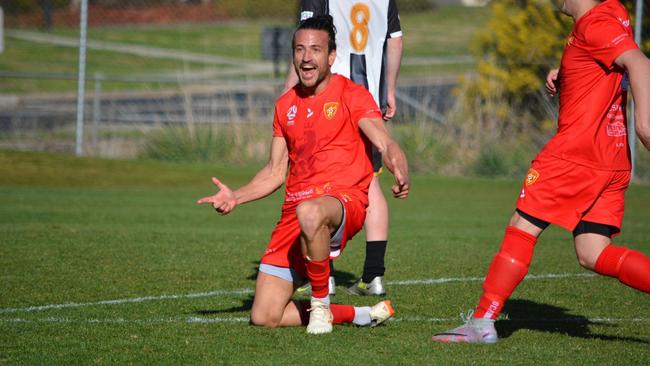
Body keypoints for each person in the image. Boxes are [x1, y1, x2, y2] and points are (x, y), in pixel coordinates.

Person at [432, 0, 650, 344]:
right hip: (612, 158)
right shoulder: (614, 14)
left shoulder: (594, 23)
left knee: (522, 227)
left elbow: (639, 63)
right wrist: (569, 72)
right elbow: (609, 67)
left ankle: (482, 323)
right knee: (592, 252)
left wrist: (645, 124)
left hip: (575, 156)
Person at [198, 15, 410, 334]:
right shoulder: (285, 106)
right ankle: (358, 314)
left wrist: (398, 165)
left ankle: (321, 307)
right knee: (265, 316)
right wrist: (235, 196)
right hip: (294, 214)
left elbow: (385, 141)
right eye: (299, 50)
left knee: (310, 211)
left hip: (342, 202)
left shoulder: (352, 95)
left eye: (315, 49)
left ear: (331, 56)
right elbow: (273, 172)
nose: (306, 57)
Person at [284, 0, 404, 297]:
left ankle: (325, 277)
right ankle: (373, 276)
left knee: (316, 185)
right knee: (370, 183)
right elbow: (396, 40)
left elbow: (308, 40)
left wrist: (287, 97)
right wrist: (389, 88)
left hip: (330, 99)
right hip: (367, 100)